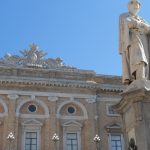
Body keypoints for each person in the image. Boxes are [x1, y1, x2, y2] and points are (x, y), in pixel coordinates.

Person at [119, 0, 150, 85]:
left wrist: (139, 24)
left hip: (144, 41)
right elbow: (128, 23)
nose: (136, 6)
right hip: (133, 39)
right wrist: (141, 26)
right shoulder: (124, 15)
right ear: (129, 6)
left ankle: (143, 79)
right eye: (133, 4)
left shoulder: (142, 19)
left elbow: (149, 29)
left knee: (146, 61)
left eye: (138, 5)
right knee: (139, 58)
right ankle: (140, 80)